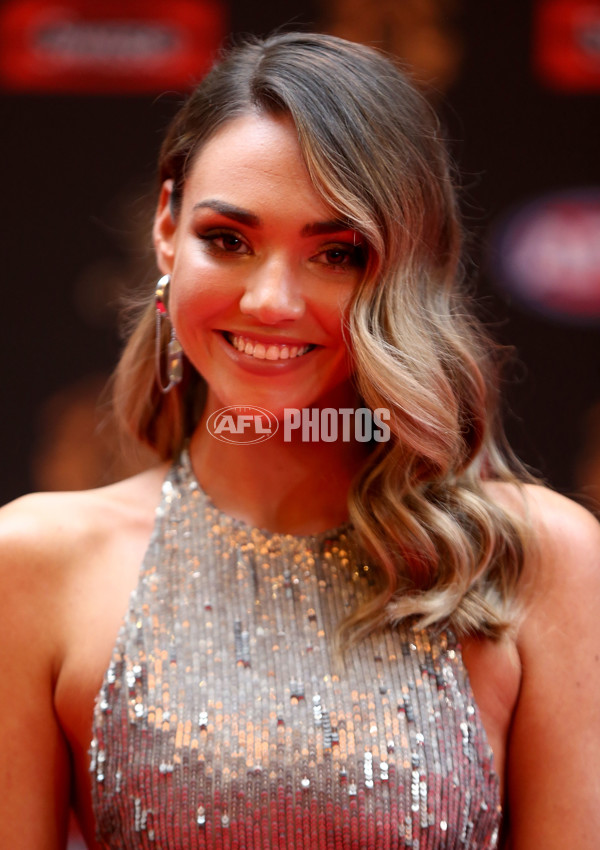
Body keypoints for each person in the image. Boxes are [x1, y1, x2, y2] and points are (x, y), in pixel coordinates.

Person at [0, 31, 598, 850]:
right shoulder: (33, 563)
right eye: (230, 241)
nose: (273, 300)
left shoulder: (533, 559)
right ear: (168, 228)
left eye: (336, 253)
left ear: (405, 268)